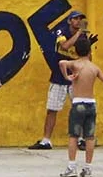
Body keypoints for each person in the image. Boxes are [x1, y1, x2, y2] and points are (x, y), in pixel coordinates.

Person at [59, 34, 103, 177]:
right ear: (90, 52)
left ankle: (72, 166)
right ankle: (88, 168)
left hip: (78, 104)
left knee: (73, 136)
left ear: (76, 52)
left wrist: (67, 76)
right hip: (91, 104)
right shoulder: (94, 68)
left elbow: (62, 63)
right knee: (89, 137)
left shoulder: (75, 65)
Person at [29, 10, 86, 149]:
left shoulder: (84, 37)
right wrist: (79, 34)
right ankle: (46, 140)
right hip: (59, 77)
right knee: (52, 109)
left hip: (75, 78)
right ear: (69, 21)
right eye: (75, 19)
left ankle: (82, 139)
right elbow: (65, 46)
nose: (78, 21)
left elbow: (87, 57)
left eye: (80, 19)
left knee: (80, 109)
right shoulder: (62, 32)